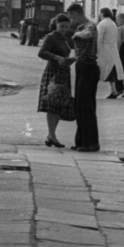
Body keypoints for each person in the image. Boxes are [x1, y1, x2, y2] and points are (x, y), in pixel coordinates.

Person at [36, 13, 77, 147]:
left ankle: (51, 136)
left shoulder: (64, 38)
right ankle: (52, 135)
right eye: (61, 26)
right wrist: (56, 57)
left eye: (66, 27)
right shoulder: (51, 37)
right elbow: (41, 52)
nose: (64, 29)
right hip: (53, 73)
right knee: (52, 104)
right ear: (56, 24)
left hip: (63, 73)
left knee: (59, 105)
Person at [65, 5, 100, 152]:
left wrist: (76, 35)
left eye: (71, 16)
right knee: (79, 105)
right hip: (81, 65)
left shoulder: (88, 25)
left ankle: (91, 143)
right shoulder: (80, 25)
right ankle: (81, 141)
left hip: (88, 66)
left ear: (77, 14)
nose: (71, 20)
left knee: (86, 106)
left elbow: (88, 34)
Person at [96, 8, 123, 97]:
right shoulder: (113, 23)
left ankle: (114, 90)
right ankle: (114, 89)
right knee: (112, 70)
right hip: (113, 49)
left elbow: (98, 39)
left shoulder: (102, 24)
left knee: (103, 70)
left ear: (102, 13)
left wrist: (96, 51)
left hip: (104, 50)